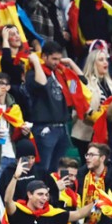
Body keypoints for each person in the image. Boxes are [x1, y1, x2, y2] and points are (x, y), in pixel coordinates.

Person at [26, 43, 86, 172]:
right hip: (45, 128)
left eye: (59, 59)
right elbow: (42, 84)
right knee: (43, 167)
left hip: (62, 127)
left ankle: (52, 192)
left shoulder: (62, 74)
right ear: (44, 57)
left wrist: (70, 62)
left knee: (56, 169)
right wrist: (37, 63)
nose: (57, 62)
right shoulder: (32, 74)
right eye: (54, 59)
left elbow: (81, 82)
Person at [4, 161, 94, 224]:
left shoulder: (51, 215)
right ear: (29, 195)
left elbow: (78, 214)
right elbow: (7, 200)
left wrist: (97, 202)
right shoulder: (19, 211)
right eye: (40, 194)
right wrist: (15, 177)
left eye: (46, 195)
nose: (44, 198)